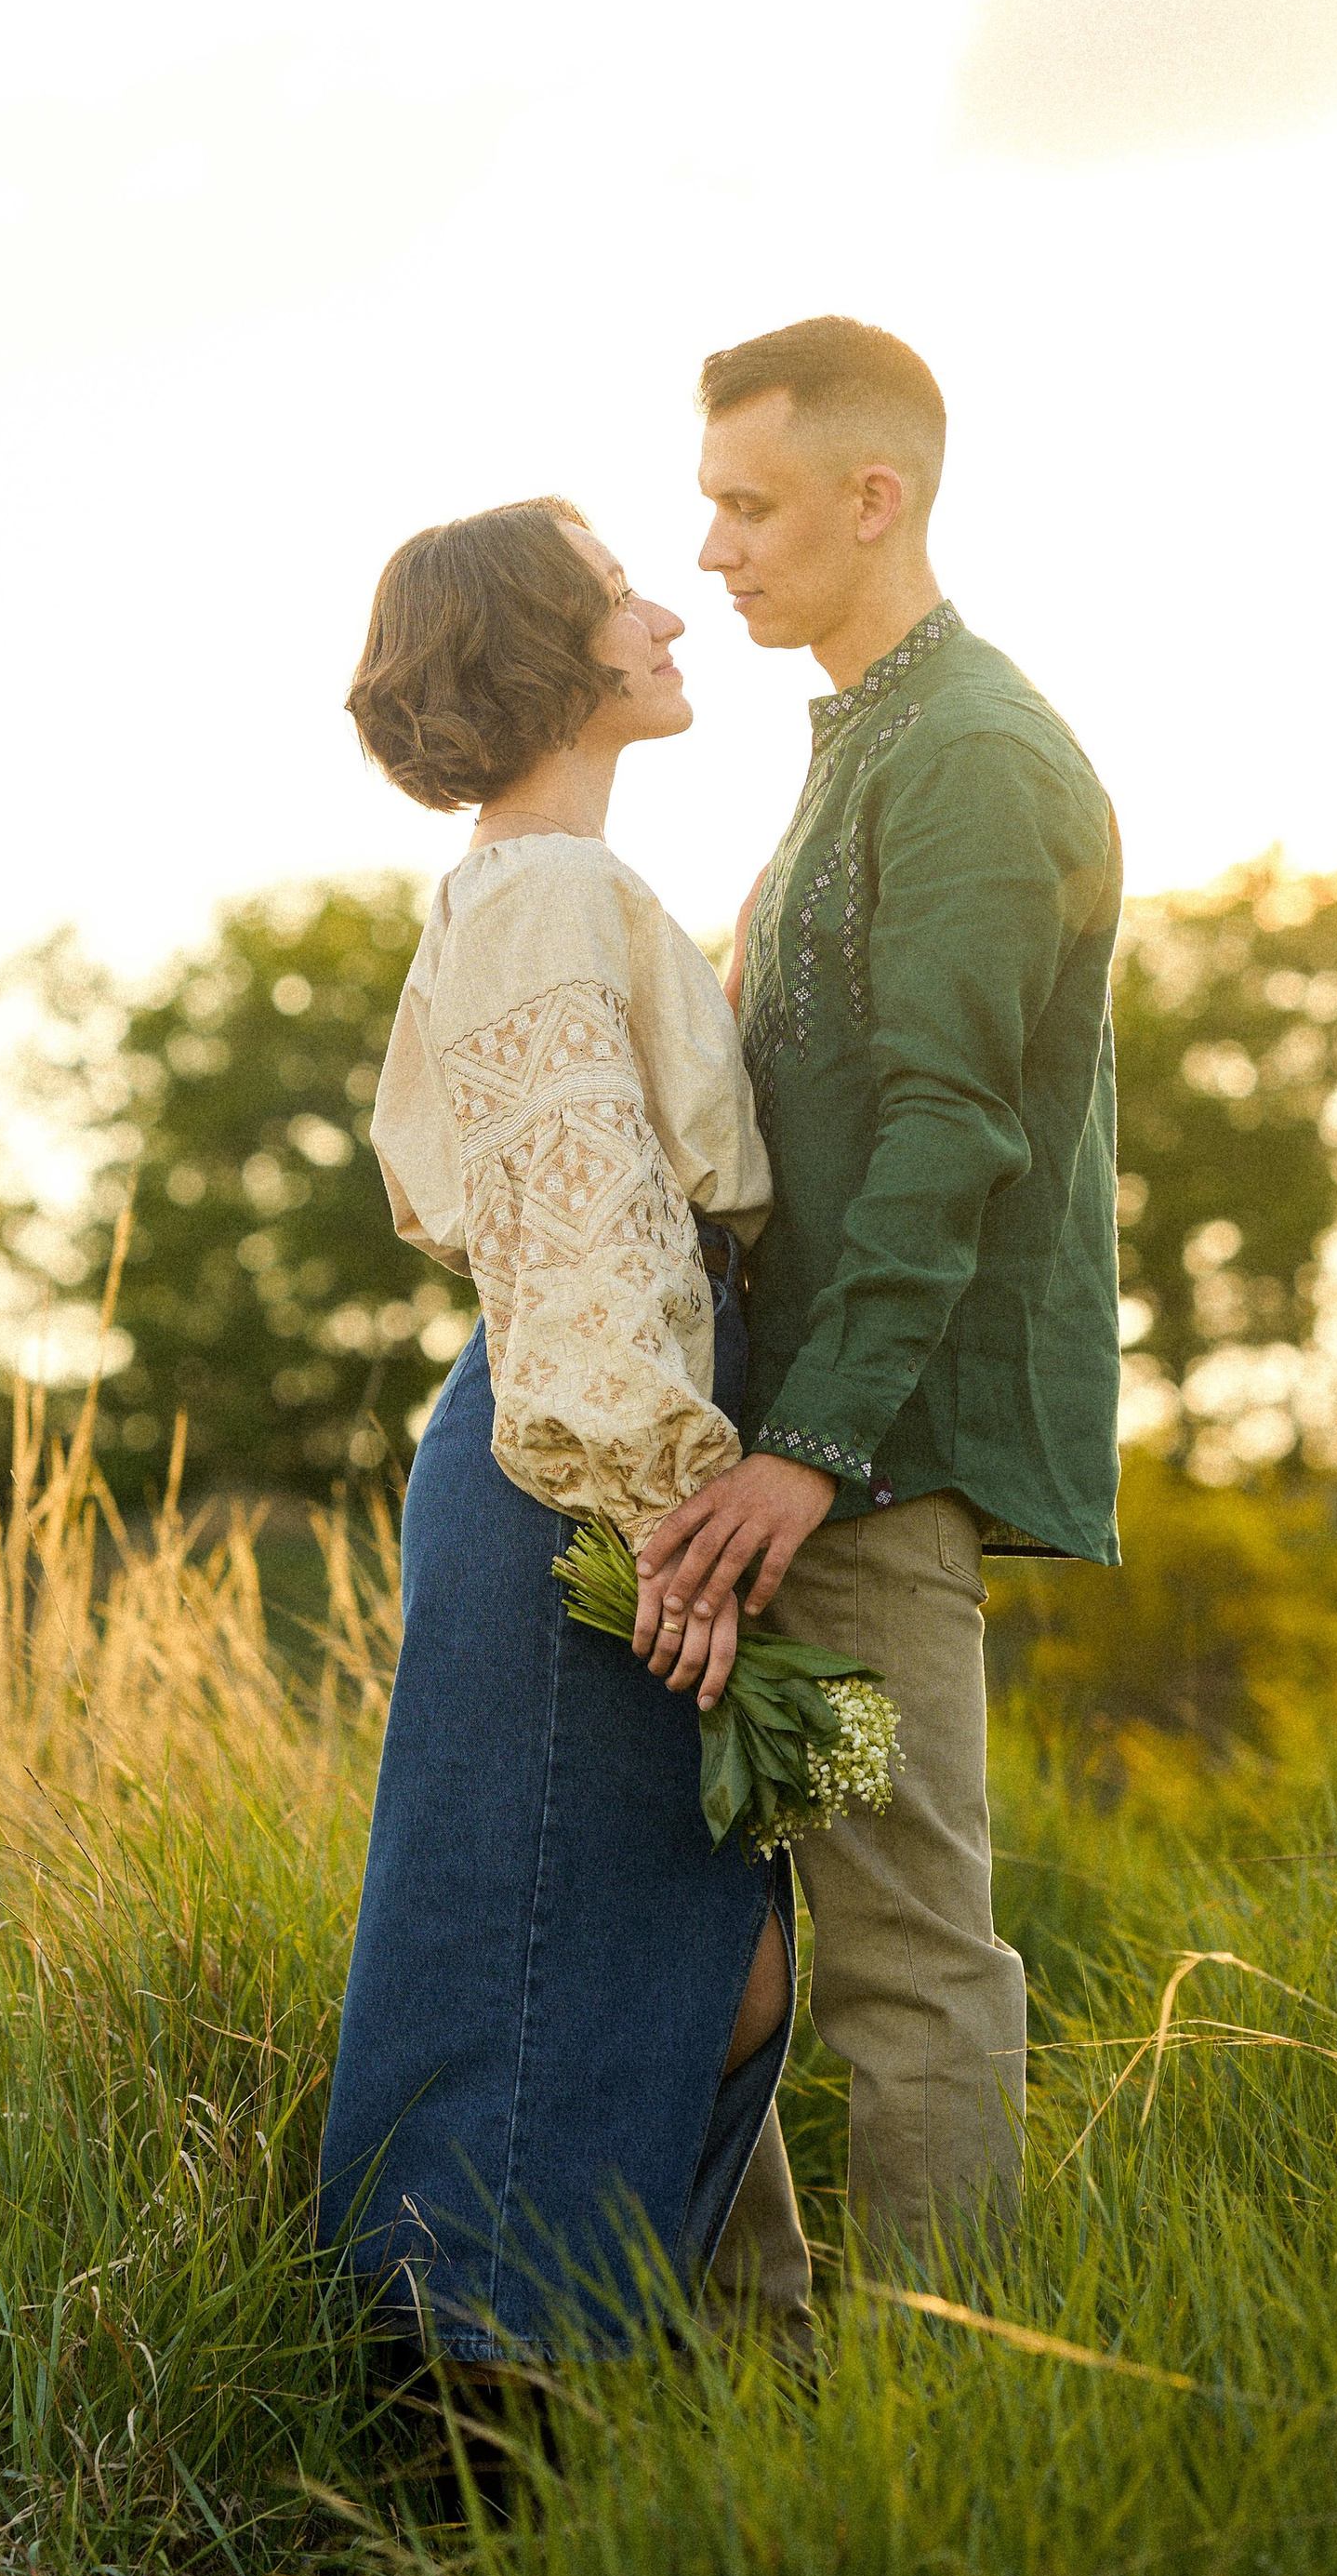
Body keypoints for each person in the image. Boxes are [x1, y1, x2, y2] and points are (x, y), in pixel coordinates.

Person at [636, 315, 1122, 2344]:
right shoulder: (860, 746)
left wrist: (803, 1444)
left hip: (868, 1454)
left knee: (910, 1954)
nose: (713, 551)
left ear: (872, 495)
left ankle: (945, 2409)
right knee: (701, 1938)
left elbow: (950, 1135)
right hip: (779, 1449)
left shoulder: (976, 757)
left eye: (745, 507)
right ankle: (754, 2390)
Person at [316, 496, 788, 2364]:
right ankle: (473, 2401)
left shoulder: (553, 890)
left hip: (580, 1454)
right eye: (615, 599)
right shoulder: (541, 896)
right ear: (538, 649)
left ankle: (583, 2376)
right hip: (581, 1467)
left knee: (699, 1956)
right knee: (559, 1949)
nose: (667, 615)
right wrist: (680, 1520)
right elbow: (585, 1247)